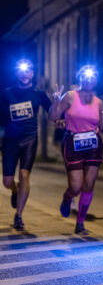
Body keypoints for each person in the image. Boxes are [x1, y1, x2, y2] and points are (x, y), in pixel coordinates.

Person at [48, 65, 103, 234]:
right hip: (73, 143)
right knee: (76, 187)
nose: (89, 80)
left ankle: (80, 223)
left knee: (89, 185)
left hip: (93, 145)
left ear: (96, 80)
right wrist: (55, 103)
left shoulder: (99, 102)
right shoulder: (70, 96)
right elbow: (53, 117)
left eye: (93, 77)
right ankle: (67, 198)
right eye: (85, 76)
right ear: (80, 78)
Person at [0, 59, 52, 230]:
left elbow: (52, 113)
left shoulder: (39, 93)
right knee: (7, 182)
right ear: (18, 73)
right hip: (10, 141)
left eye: (28, 70)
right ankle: (14, 190)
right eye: (21, 70)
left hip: (30, 139)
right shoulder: (7, 93)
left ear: (32, 73)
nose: (25, 73)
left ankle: (19, 215)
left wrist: (59, 108)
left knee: (24, 175)